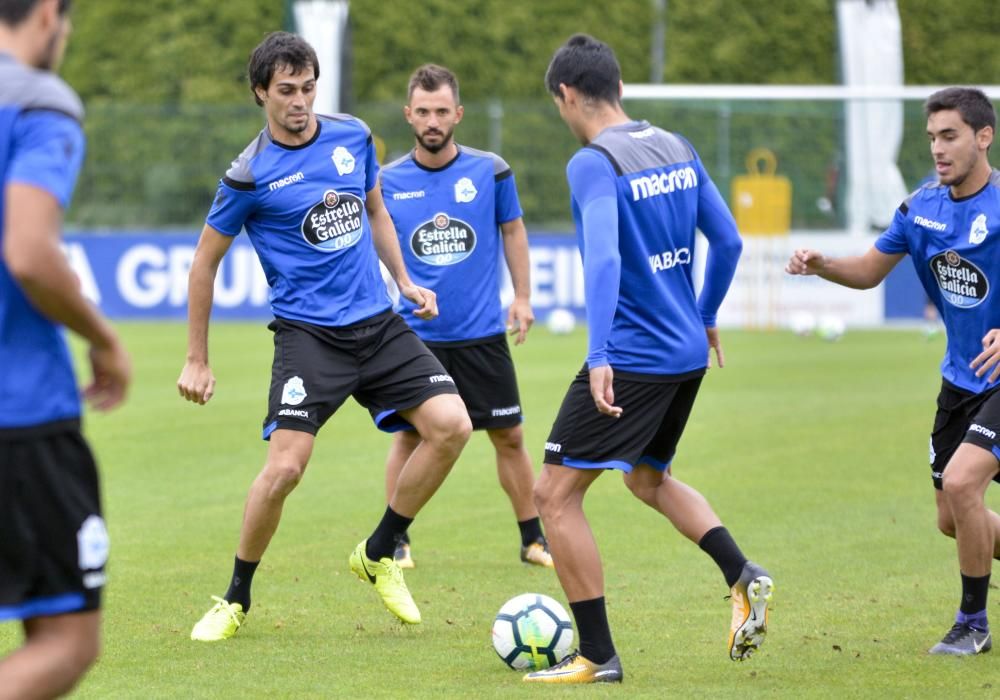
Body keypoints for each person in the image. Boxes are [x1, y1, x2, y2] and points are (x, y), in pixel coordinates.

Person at [178, 32, 472, 641]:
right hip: (309, 337)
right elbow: (203, 264)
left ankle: (380, 549)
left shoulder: (353, 135)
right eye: (285, 91)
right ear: (261, 93)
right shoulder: (248, 174)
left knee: (452, 425)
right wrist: (196, 360)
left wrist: (405, 280)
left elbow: (376, 210)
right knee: (285, 470)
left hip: (379, 323)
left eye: (308, 88)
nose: (300, 102)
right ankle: (235, 598)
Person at [524, 34, 773, 684]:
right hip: (685, 352)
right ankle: (741, 573)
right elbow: (728, 240)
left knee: (552, 496)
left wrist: (599, 352)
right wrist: (708, 313)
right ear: (621, 87)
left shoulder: (592, 162)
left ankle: (598, 656)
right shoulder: (677, 147)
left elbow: (604, 257)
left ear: (567, 96)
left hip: (633, 356)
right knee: (647, 479)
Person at [787, 86, 1000, 656]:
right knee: (952, 519)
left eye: (950, 135)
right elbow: (867, 271)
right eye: (931, 137)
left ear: (984, 137)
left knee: (962, 484)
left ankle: (972, 624)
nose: (937, 148)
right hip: (960, 382)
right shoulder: (920, 208)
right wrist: (822, 264)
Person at [0, 0, 132, 697]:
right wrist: (104, 339)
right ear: (48, 13)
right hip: (19, 414)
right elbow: (27, 252)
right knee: (66, 640)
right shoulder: (37, 101)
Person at [379, 64, 551, 570]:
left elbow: (514, 231)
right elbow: (374, 244)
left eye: (441, 111)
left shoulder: (490, 170)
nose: (433, 121)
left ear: (458, 114)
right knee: (410, 437)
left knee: (511, 435)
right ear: (409, 115)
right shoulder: (385, 182)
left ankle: (533, 539)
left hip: (480, 334)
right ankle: (397, 541)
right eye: (423, 111)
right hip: (416, 336)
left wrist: (521, 297)